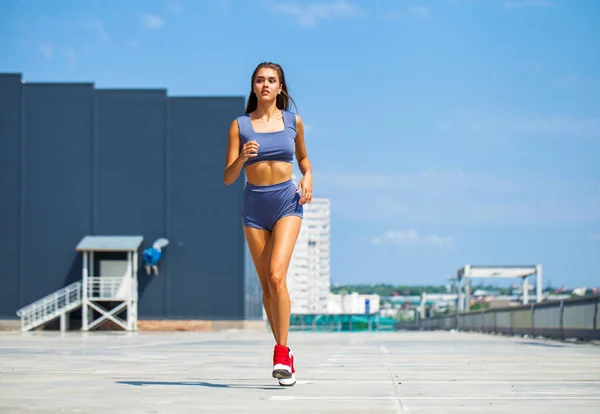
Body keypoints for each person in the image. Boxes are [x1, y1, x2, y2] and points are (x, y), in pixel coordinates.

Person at [223, 62, 312, 387]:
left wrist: (309, 177)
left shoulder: (293, 121)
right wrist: (243, 158)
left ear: (280, 87)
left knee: (277, 276)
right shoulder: (240, 125)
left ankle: (281, 351)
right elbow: (228, 177)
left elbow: (303, 158)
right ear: (253, 86)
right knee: (266, 286)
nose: (265, 85)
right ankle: (285, 354)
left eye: (271, 80)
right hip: (254, 206)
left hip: (287, 202)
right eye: (259, 80)